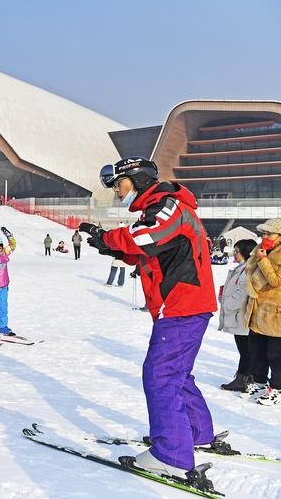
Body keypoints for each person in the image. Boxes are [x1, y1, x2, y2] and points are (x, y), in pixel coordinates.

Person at [80, 156, 217, 479]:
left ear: (139, 179)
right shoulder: (159, 208)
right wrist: (108, 245)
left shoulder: (168, 205)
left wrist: (110, 238)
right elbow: (147, 249)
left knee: (160, 374)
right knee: (177, 374)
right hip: (184, 305)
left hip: (182, 305)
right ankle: (195, 433)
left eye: (120, 184)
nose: (117, 191)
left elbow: (146, 236)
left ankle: (172, 454)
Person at [241, 218, 281, 405]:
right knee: (257, 351)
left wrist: (263, 260)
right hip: (257, 309)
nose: (265, 237)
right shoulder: (260, 249)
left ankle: (277, 388)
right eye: (263, 233)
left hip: (275, 313)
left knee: (275, 355)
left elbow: (275, 281)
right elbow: (249, 273)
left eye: (269, 234)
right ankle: (259, 383)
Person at [218, 238, 257, 392]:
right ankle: (246, 377)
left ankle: (244, 379)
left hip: (242, 315)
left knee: (246, 350)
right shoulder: (243, 267)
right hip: (239, 315)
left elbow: (243, 293)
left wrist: (227, 303)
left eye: (237, 251)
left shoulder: (248, 269)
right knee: (245, 350)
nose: (234, 254)